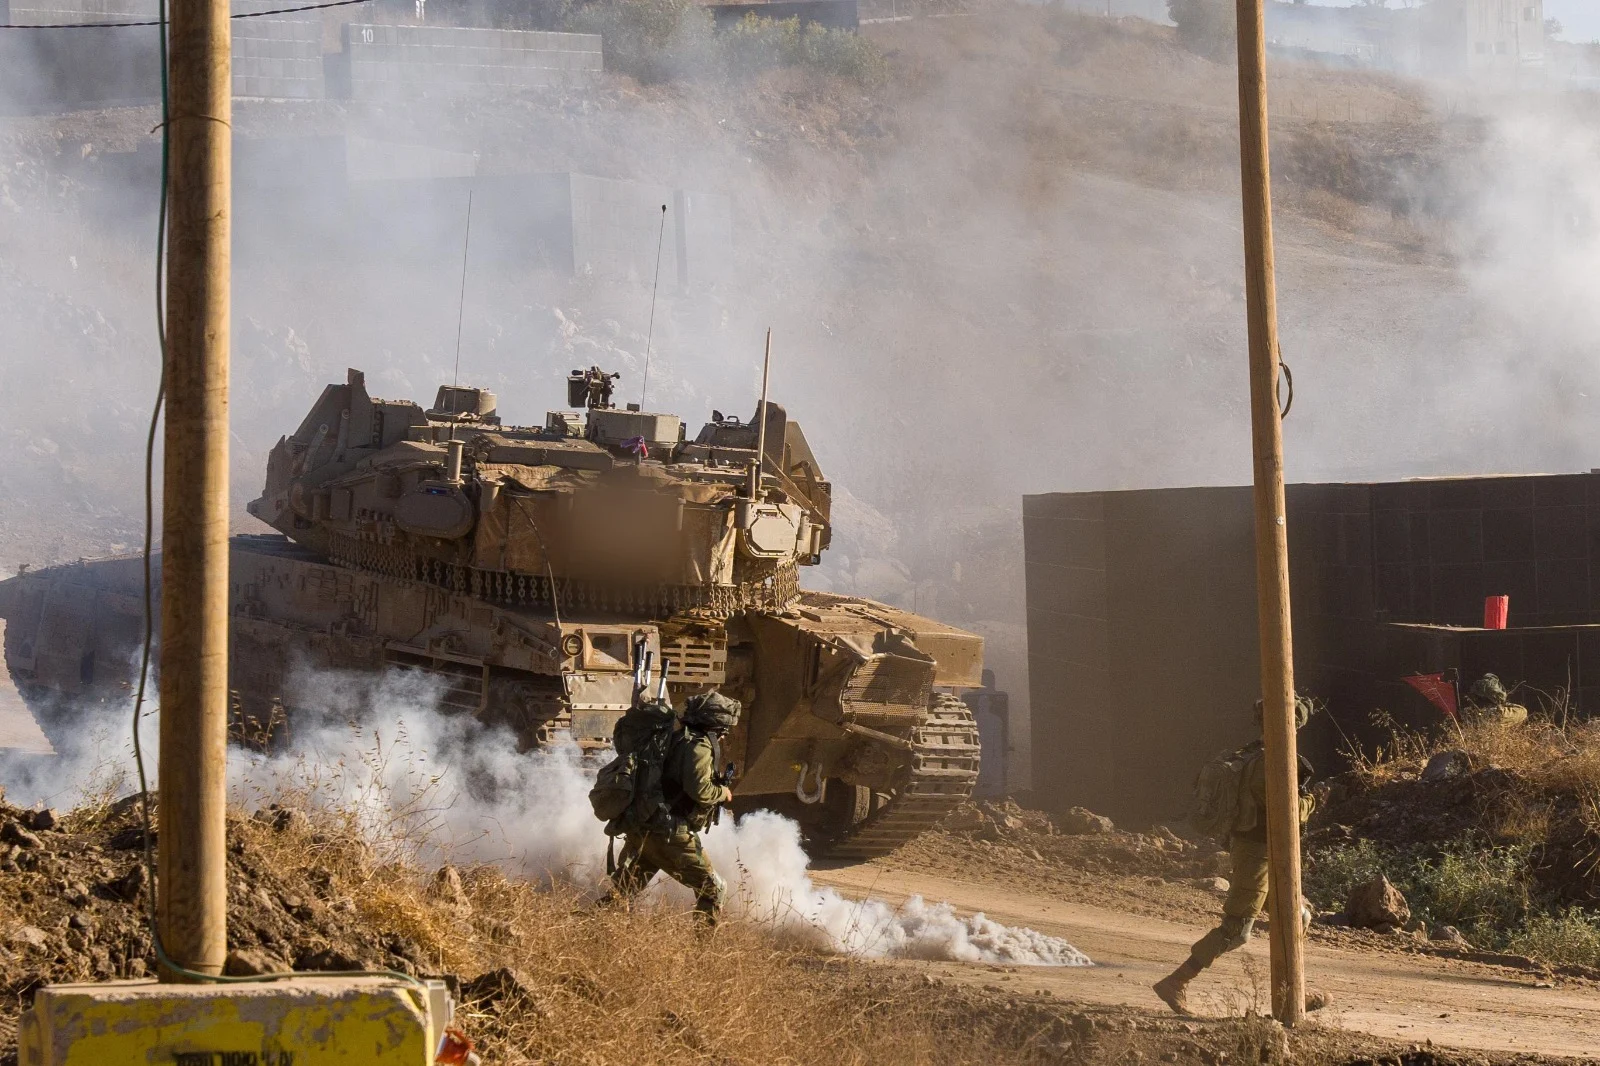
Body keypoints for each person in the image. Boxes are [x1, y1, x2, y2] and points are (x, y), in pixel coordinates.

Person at [1154, 696, 1323, 1016]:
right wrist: (1312, 802)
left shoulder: (1248, 755)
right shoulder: (1274, 761)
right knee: (1237, 929)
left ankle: (1293, 993)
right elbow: (1289, 810)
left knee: (1297, 916)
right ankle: (1176, 981)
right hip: (1258, 853)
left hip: (1264, 850)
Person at [606, 691, 740, 925]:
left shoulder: (676, 738)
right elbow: (699, 789)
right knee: (713, 889)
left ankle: (585, 929)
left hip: (646, 825)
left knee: (623, 892)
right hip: (669, 834)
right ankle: (704, 955)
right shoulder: (699, 746)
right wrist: (722, 793)